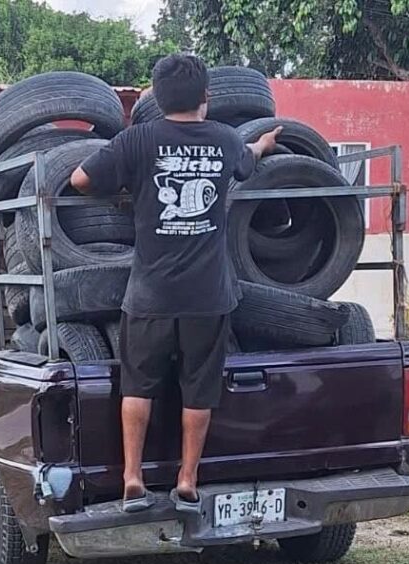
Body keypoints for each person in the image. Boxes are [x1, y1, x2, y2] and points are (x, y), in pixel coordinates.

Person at [70, 54, 282, 514]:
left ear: (156, 98)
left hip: (150, 294)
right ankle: (187, 480)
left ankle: (132, 478)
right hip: (208, 296)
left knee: (137, 387)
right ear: (206, 97)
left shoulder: (138, 138)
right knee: (198, 389)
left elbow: (80, 177)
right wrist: (264, 143)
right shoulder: (225, 139)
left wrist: (122, 191)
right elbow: (249, 160)